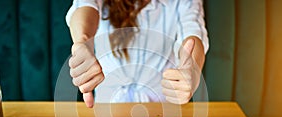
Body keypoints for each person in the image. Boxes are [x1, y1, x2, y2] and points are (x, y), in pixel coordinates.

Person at [66, 0, 209, 108]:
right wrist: (82, 41)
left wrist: (192, 70)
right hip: (105, 110)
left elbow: (193, 32)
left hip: (162, 114)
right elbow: (84, 7)